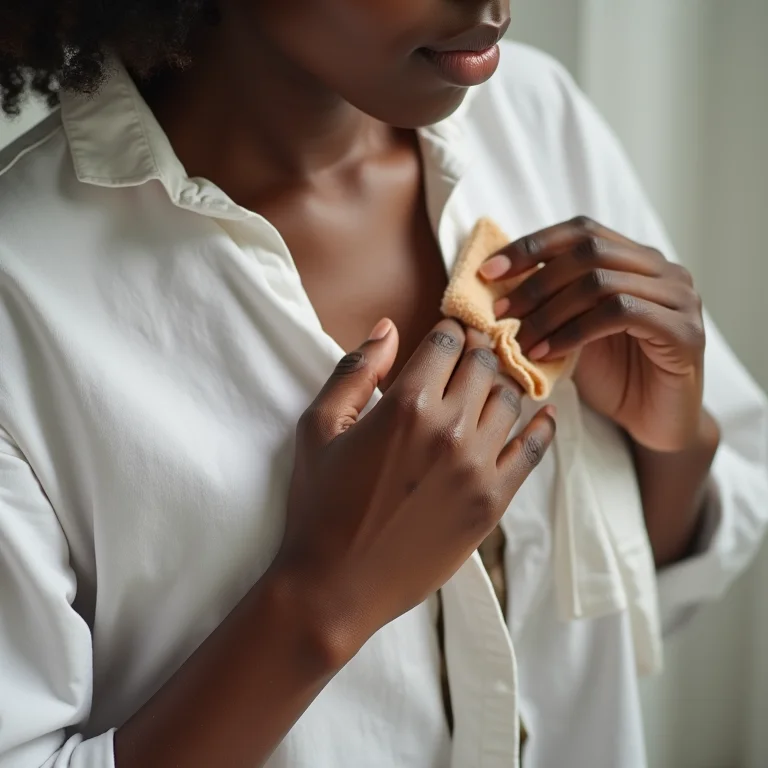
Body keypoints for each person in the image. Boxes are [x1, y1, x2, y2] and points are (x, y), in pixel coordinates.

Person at [0, 1, 766, 767]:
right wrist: (321, 600)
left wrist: (677, 441)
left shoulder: (538, 117)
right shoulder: (22, 296)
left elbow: (646, 597)